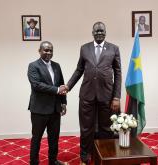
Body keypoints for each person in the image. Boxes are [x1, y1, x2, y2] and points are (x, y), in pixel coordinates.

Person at [64, 22, 122, 165]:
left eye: (101, 31)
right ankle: (84, 157)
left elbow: (118, 73)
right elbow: (79, 70)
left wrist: (116, 96)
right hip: (87, 95)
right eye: (96, 31)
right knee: (86, 128)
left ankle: (105, 155)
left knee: (106, 128)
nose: (99, 33)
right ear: (92, 33)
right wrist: (68, 85)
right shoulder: (84, 48)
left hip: (107, 96)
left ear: (105, 32)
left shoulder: (114, 49)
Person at [27, 41, 68, 165]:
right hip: (39, 109)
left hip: (55, 109)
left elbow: (61, 84)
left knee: (54, 138)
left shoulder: (57, 66)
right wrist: (56, 90)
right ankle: (34, 162)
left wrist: (64, 103)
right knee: (36, 138)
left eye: (50, 50)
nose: (48, 52)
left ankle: (53, 160)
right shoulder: (33, 66)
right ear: (39, 51)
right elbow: (37, 85)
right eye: (45, 50)